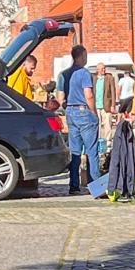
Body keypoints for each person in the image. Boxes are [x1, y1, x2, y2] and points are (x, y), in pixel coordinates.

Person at [59, 44, 100, 196]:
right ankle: (95, 185)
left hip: (70, 111)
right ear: (81, 56)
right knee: (92, 150)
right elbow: (88, 94)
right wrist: (94, 113)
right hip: (84, 112)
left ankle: (74, 185)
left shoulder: (65, 74)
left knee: (75, 151)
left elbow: (60, 97)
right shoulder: (84, 73)